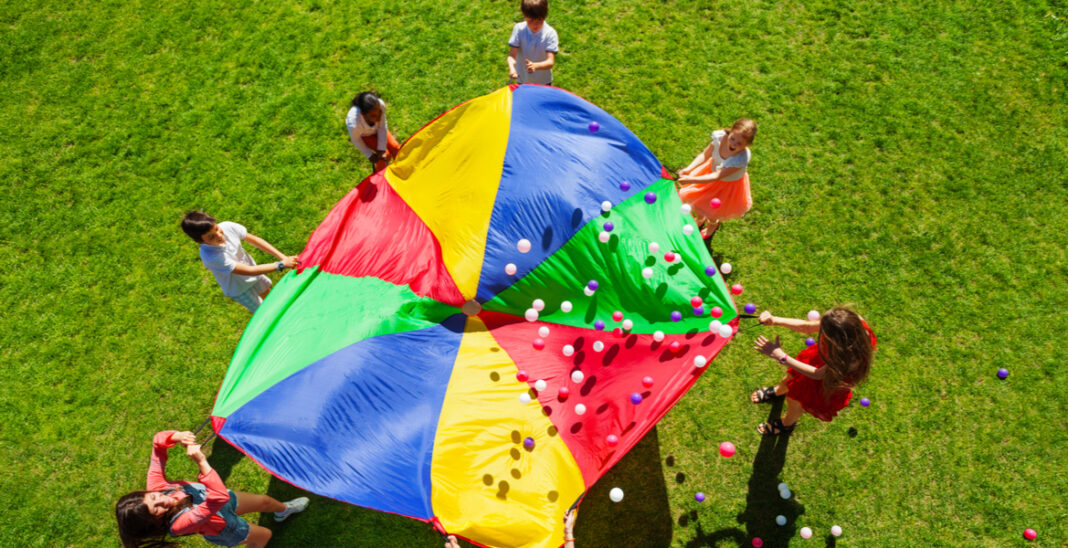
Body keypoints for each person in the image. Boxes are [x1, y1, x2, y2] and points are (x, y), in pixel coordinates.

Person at [115, 430, 309, 548]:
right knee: (264, 535)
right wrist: (201, 461)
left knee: (264, 501)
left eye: (153, 497)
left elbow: (158, 444)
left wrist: (177, 436)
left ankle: (283, 511)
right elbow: (218, 497)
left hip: (222, 505)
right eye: (156, 509)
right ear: (153, 522)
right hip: (226, 528)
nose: (162, 500)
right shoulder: (180, 524)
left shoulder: (156, 486)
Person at [749, 306, 876, 435]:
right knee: (789, 380)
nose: (819, 328)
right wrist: (775, 320)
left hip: (826, 382)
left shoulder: (849, 359)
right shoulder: (851, 324)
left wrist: (782, 357)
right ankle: (778, 391)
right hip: (821, 362)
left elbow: (817, 374)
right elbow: (807, 327)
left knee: (795, 401)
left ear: (836, 342)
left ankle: (787, 424)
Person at [181, 211, 299, 314]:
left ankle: (285, 313)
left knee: (270, 296)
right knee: (262, 311)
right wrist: (281, 264)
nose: (219, 235)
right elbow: (248, 271)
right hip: (239, 289)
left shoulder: (227, 227)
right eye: (211, 237)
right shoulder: (211, 257)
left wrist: (283, 257)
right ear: (200, 242)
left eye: (216, 228)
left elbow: (255, 240)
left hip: (256, 273)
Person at [676, 118, 757, 238]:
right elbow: (705, 154)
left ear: (747, 145)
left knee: (713, 212)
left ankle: (713, 224)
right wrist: (689, 169)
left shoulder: (740, 158)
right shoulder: (720, 137)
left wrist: (690, 180)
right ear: (730, 131)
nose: (733, 144)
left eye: (739, 143)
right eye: (733, 138)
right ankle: (700, 218)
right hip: (707, 173)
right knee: (698, 202)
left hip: (725, 186)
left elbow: (717, 176)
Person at [346, 90, 401, 172]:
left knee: (396, 147)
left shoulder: (379, 105)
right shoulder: (353, 122)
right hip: (365, 135)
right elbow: (356, 139)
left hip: (379, 130)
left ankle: (402, 169)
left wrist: (381, 148)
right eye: (373, 116)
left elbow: (382, 126)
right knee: (386, 155)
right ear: (363, 114)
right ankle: (379, 177)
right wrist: (369, 155)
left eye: (380, 112)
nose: (379, 117)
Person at [507, 0, 559, 85]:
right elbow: (511, 56)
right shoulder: (519, 29)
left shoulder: (550, 33)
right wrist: (512, 68)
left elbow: (550, 62)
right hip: (522, 79)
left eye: (539, 20)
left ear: (545, 16)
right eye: (530, 21)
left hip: (543, 81)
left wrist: (536, 66)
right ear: (524, 16)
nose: (535, 25)